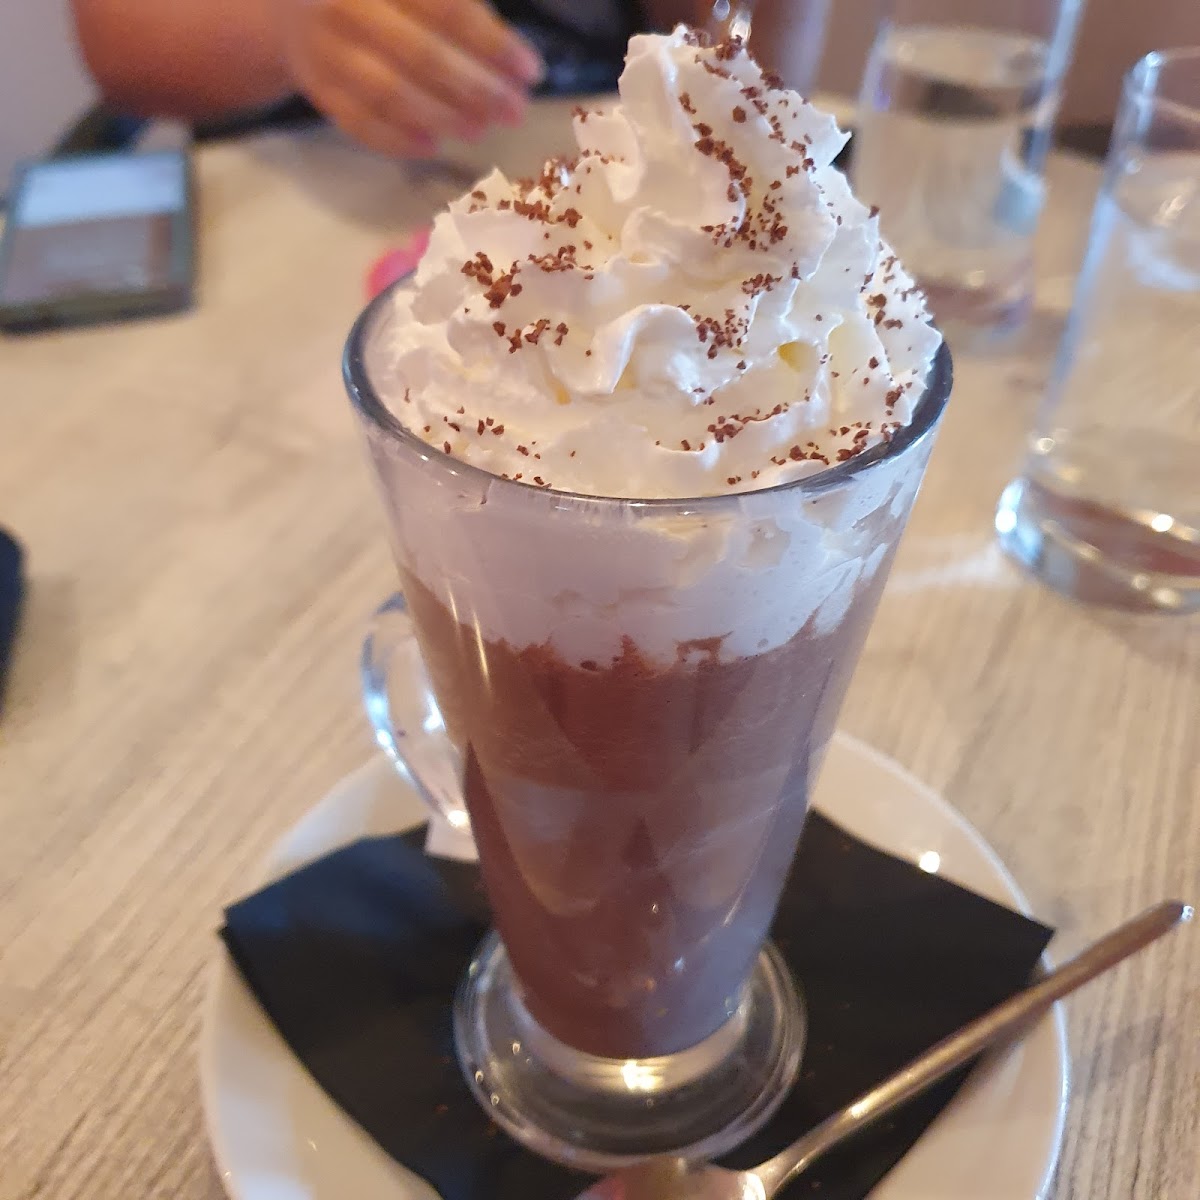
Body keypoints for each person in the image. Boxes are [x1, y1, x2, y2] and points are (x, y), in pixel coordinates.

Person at [68, 0, 818, 159]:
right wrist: (283, 29)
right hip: (299, 179)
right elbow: (121, 45)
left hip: (607, 168)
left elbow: (740, 69)